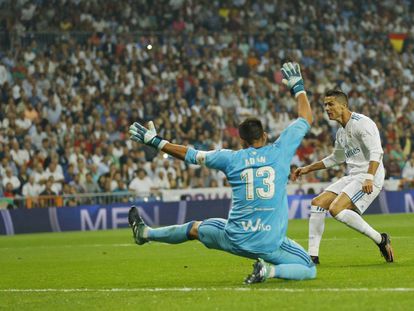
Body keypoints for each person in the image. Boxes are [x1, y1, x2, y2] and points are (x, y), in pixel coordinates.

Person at [128, 62, 316, 284]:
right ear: (265, 136)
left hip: (234, 238)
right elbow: (305, 118)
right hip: (270, 242)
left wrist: (157, 142)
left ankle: (145, 233)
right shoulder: (281, 151)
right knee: (308, 269)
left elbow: (191, 154)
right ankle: (268, 271)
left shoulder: (229, 158)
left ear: (242, 141)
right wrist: (298, 87)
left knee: (194, 228)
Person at [291, 89, 394, 264]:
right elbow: (336, 158)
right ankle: (312, 257)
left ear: (344, 105)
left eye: (330, 104)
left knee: (335, 209)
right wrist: (308, 168)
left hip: (370, 176)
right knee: (317, 203)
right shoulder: (340, 133)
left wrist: (369, 177)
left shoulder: (363, 123)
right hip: (354, 176)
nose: (326, 108)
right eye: (325, 104)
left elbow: (377, 151)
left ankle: (380, 239)